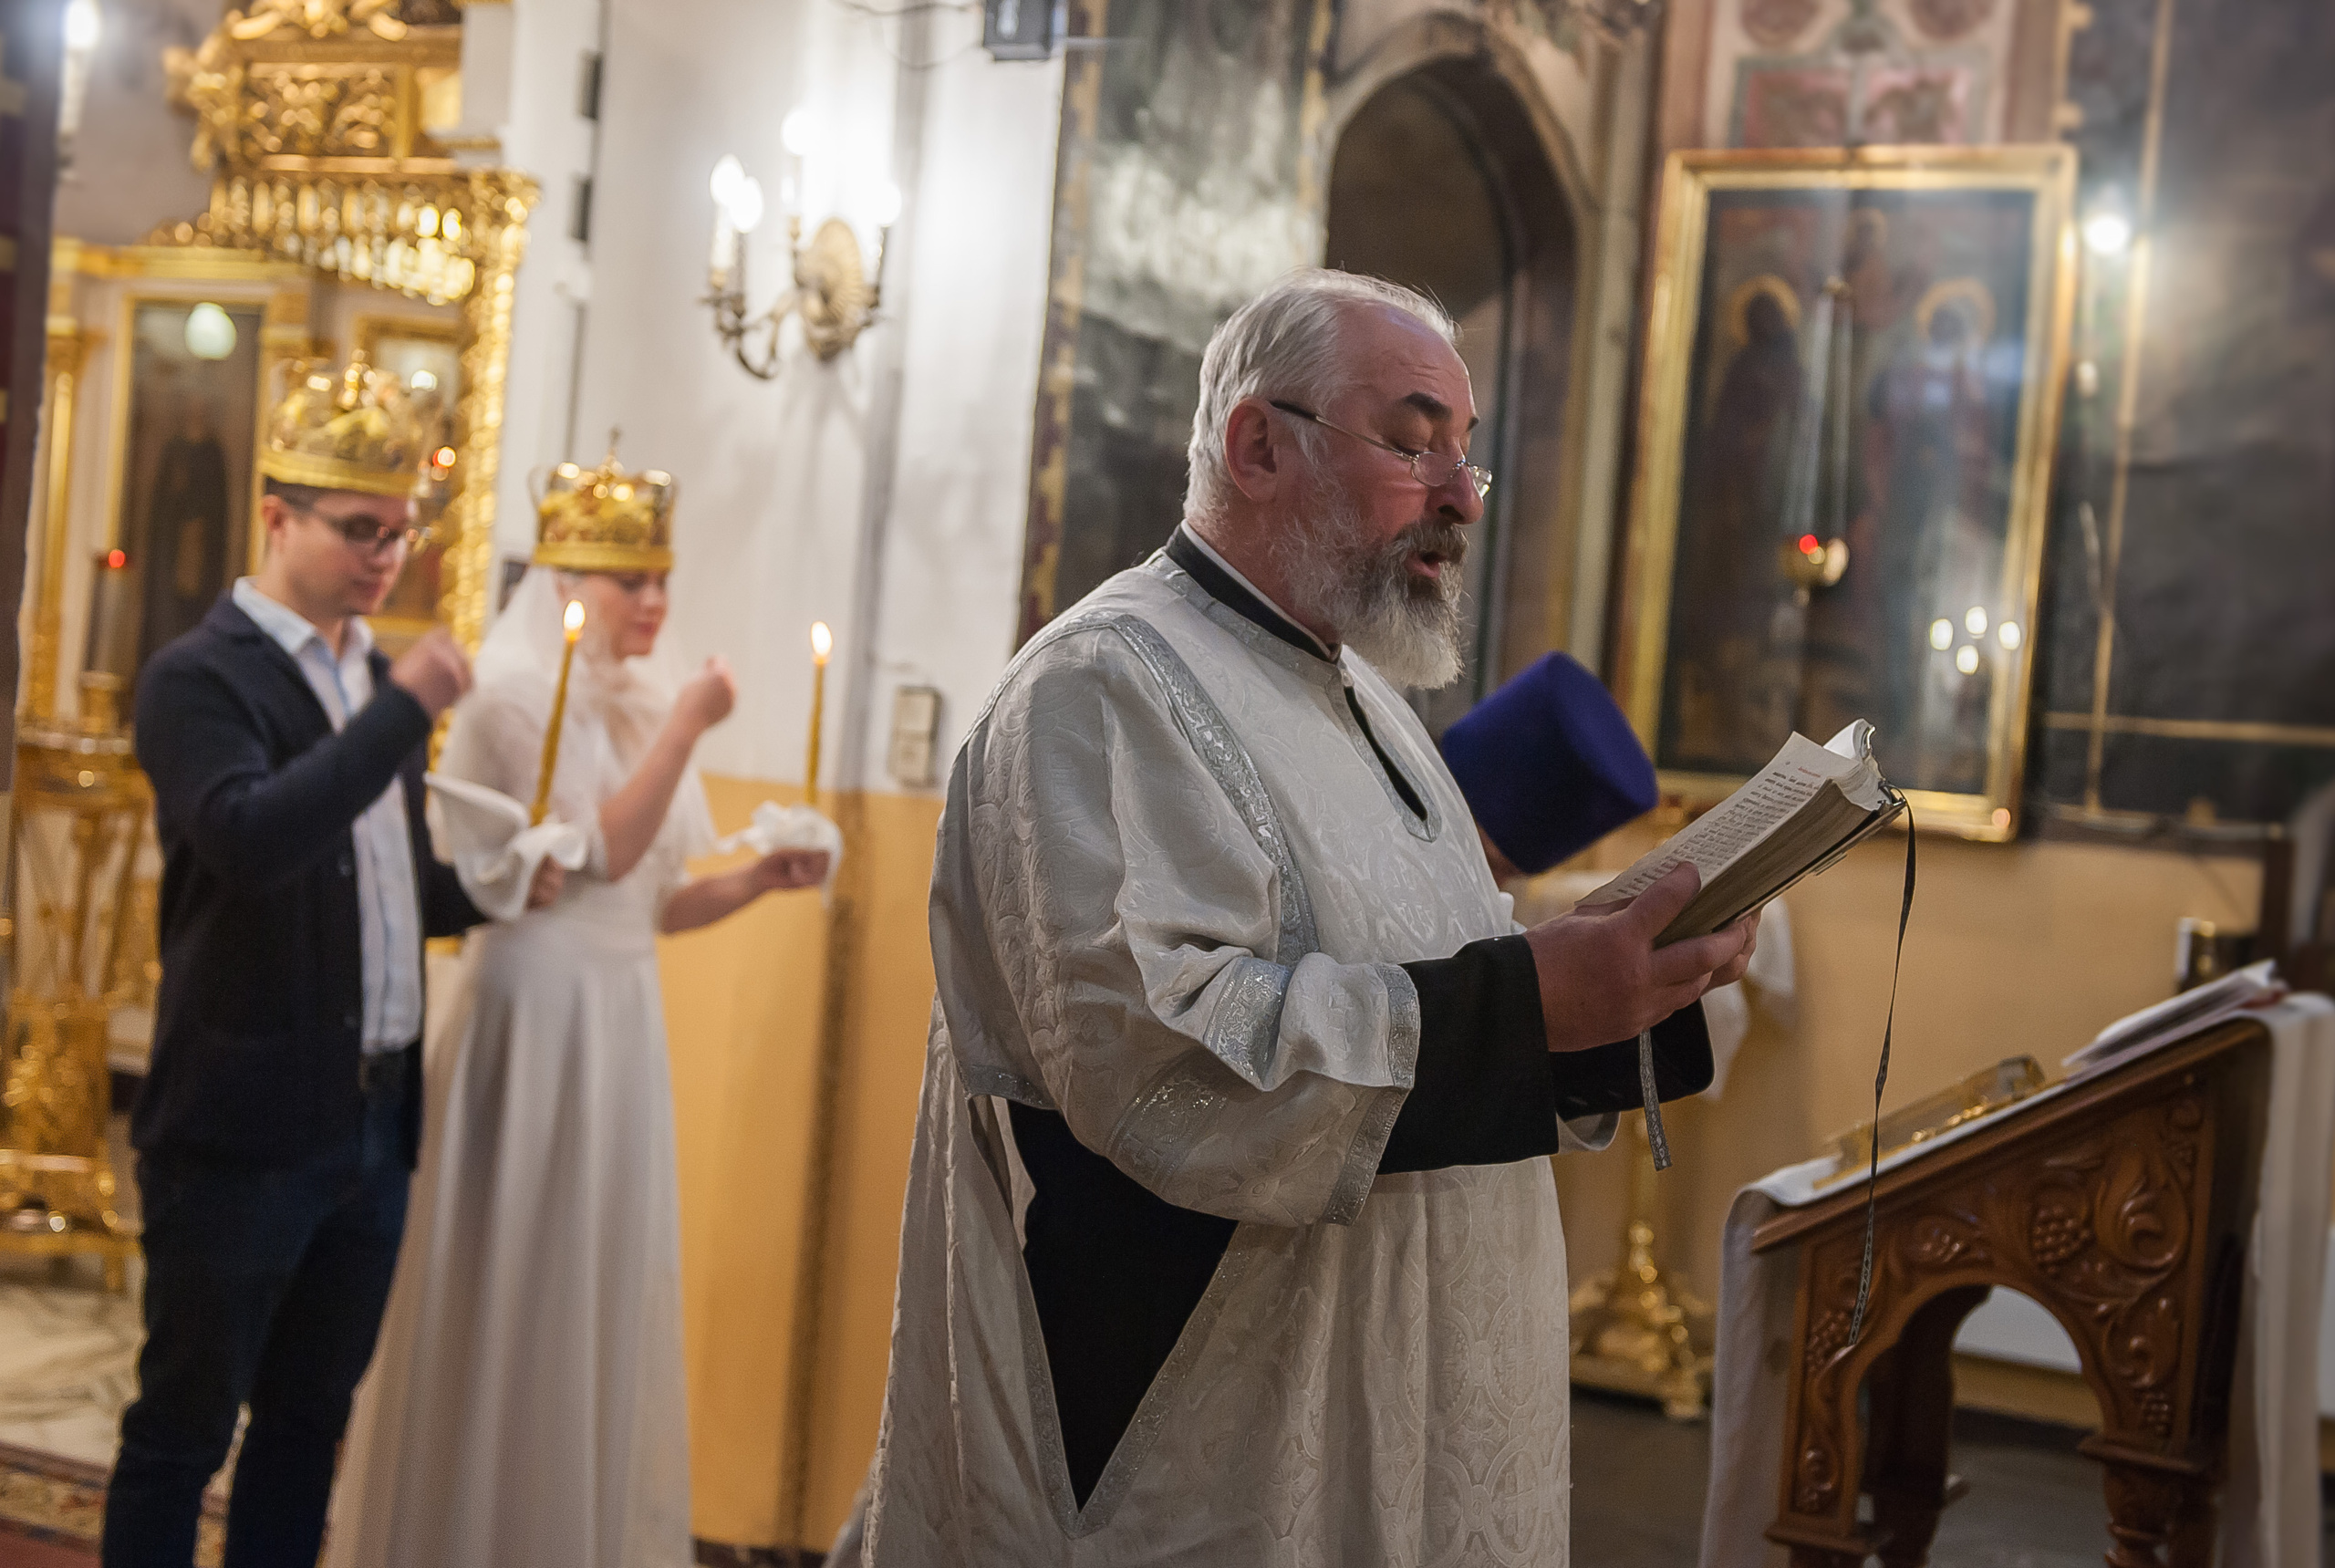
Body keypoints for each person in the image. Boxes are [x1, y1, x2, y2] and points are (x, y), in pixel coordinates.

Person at [853, 270, 1757, 1563]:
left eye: (1468, 455)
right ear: (1257, 444)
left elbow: (1455, 981)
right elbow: (1155, 1063)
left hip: (1402, 1395)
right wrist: (1531, 999)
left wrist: (1630, 981)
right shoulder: (1102, 687)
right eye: (1412, 439)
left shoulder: (1373, 700)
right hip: (1218, 1438)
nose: (1458, 496)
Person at [324, 445, 830, 1568]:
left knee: (593, 1290)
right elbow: (599, 850)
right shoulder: (508, 700)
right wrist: (690, 726)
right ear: (562, 583)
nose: (653, 603)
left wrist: (752, 881)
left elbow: (647, 904)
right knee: (509, 1284)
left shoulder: (644, 695)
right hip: (531, 1016)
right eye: (625, 582)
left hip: (618, 1017)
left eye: (660, 580)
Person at [105, 358, 550, 1568]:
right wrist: (403, 710)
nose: (385, 556)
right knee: (183, 1430)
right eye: (360, 529)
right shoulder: (198, 677)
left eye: (402, 532)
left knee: (308, 1428)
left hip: (368, 1126)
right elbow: (254, 838)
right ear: (277, 515)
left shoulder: (363, 670)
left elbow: (384, 880)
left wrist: (505, 886)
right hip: (238, 1126)